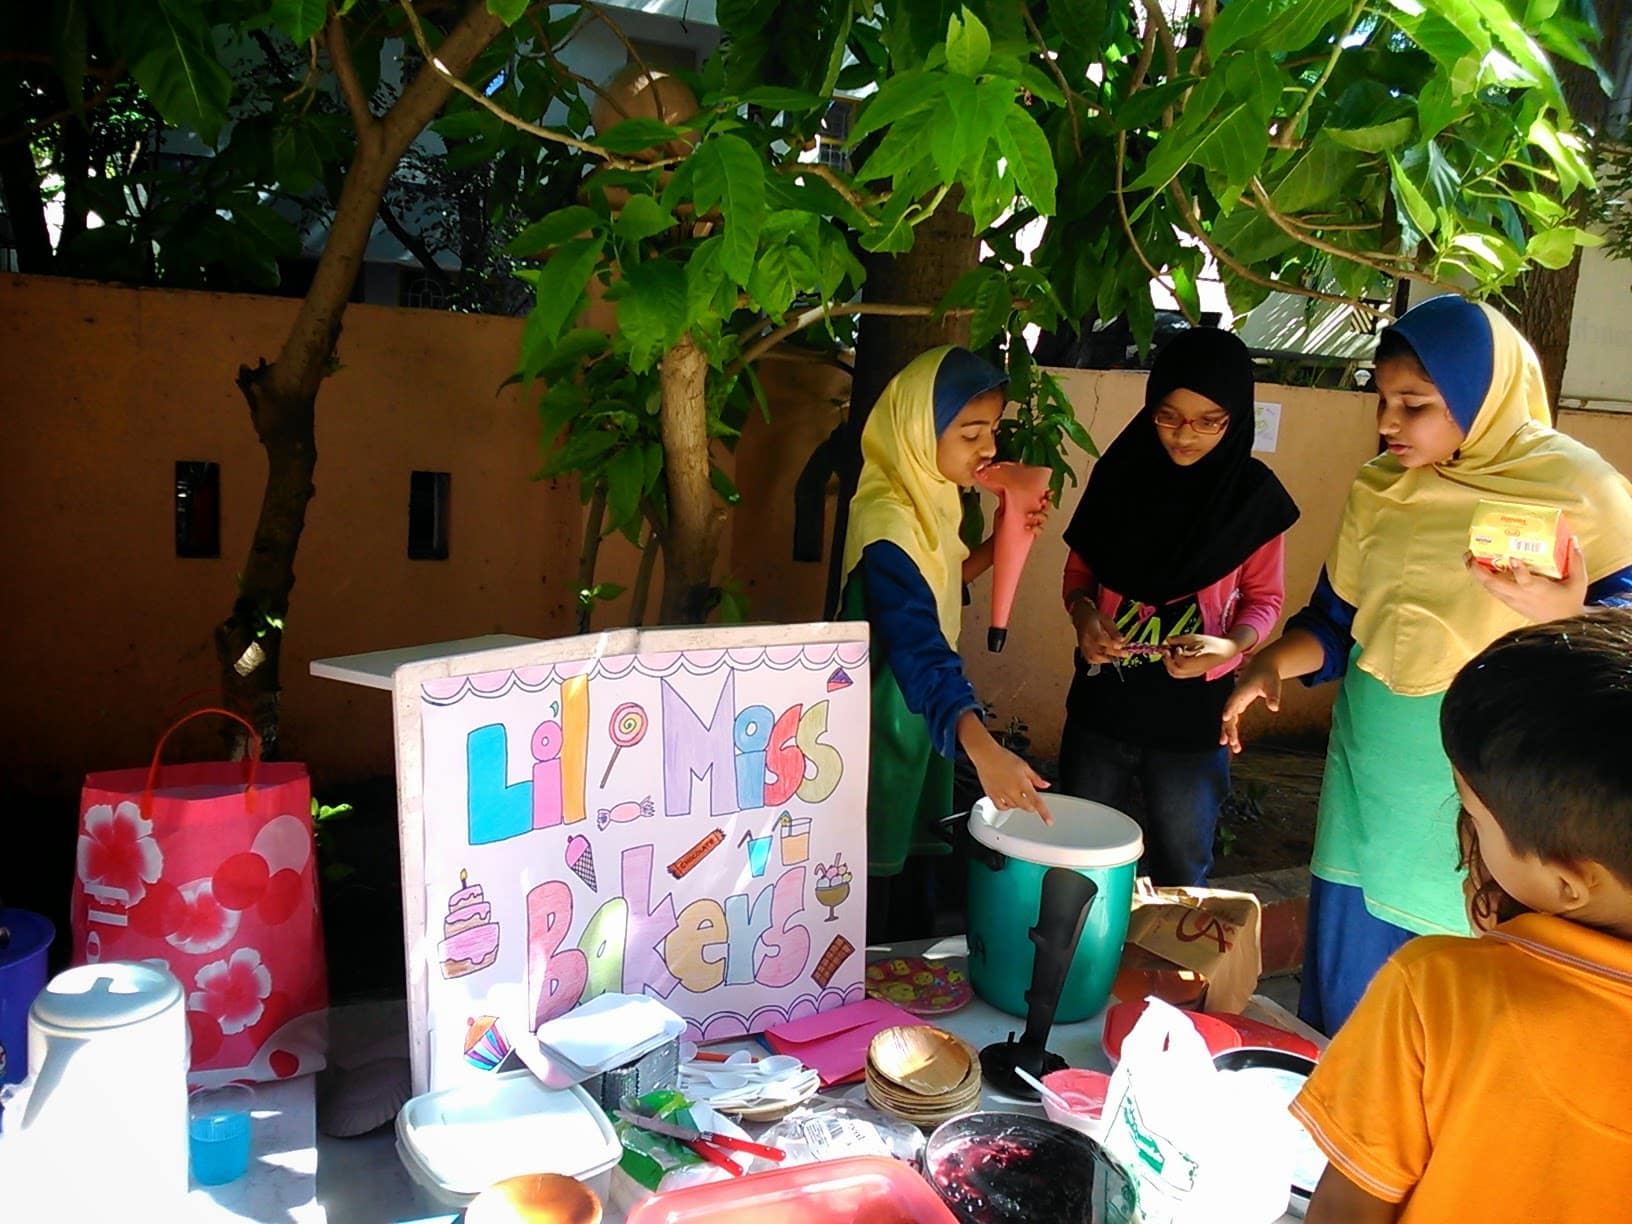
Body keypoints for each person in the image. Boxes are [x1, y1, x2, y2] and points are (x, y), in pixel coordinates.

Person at [1223, 294, 1632, 1032]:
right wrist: (1269, 667)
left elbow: (1620, 657)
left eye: (1415, 404)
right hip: (1373, 772)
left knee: (1456, 1001)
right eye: (1382, 401)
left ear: (1485, 394)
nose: (1387, 423)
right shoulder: (1380, 489)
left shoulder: (1584, 493)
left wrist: (1568, 615)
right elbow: (1338, 625)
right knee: (1350, 990)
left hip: (1489, 781)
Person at [1293, 610, 1632, 1222]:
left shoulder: (1436, 991)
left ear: (1568, 882)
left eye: (1474, 812)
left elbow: (1345, 1211)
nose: (1464, 827)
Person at [1057, 327, 1298, 886]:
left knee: (1183, 865)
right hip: (1103, 709)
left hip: (1196, 720)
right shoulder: (1119, 477)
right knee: (1079, 859)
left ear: (1236, 416)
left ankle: (1176, 972)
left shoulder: (1253, 500)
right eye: (1167, 416)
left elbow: (1265, 600)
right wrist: (1083, 615)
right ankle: (1085, 966)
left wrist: (1231, 645)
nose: (1184, 436)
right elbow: (1079, 576)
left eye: (1209, 420)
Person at [840, 346, 1051, 939]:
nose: (988, 449)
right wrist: (982, 747)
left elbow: (937, 580)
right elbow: (915, 642)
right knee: (875, 898)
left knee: (914, 873)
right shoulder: (887, 522)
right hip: (886, 725)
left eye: (993, 431)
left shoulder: (927, 498)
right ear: (916, 432)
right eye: (969, 433)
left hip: (923, 720)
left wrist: (1003, 539)